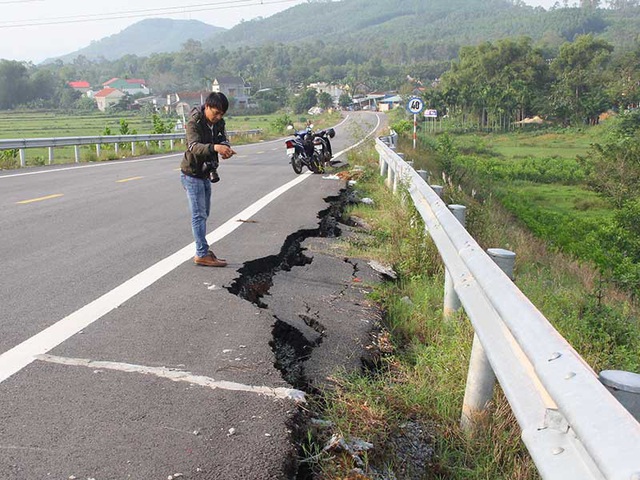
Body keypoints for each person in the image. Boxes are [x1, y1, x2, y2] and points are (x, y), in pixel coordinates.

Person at [180, 92, 236, 267]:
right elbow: (194, 146)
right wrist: (215, 148)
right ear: (207, 106)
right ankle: (202, 254)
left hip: (207, 172)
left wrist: (225, 148)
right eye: (216, 112)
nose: (218, 117)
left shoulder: (218, 122)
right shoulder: (194, 121)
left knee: (204, 215)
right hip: (192, 173)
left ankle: (203, 249)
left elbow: (223, 139)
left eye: (221, 114)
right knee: (198, 215)